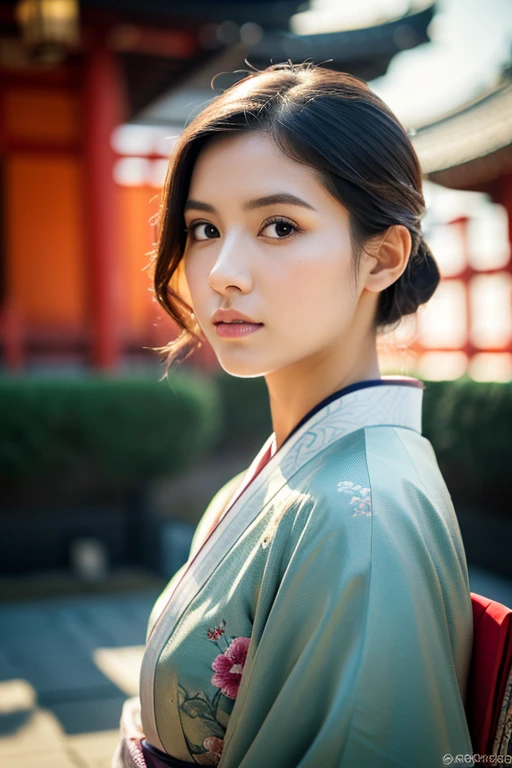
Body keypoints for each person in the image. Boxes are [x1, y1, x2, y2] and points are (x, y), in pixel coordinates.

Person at [112, 61, 474, 768]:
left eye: (278, 226)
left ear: (382, 257)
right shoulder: (304, 470)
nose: (220, 272)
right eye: (204, 228)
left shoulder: (359, 514)